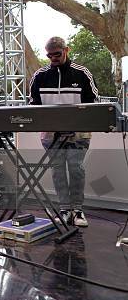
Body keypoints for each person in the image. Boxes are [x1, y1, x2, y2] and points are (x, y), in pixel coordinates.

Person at [29, 36, 98, 227]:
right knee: (57, 171)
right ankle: (64, 209)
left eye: (57, 54)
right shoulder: (40, 75)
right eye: (49, 55)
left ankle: (77, 210)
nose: (53, 59)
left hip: (78, 133)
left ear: (66, 50)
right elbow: (32, 106)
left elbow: (93, 102)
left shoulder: (82, 73)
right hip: (51, 135)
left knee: (76, 169)